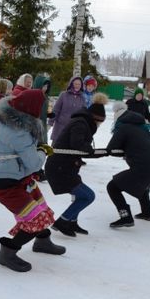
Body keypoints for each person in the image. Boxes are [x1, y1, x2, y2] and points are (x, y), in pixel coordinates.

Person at [0, 89, 66, 272]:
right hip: (8, 184)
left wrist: (37, 148)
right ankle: (8, 252)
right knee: (36, 218)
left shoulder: (12, 121)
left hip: (21, 178)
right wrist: (41, 151)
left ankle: (42, 241)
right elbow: (33, 163)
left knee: (42, 210)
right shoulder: (18, 132)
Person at [45, 93, 109, 236]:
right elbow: (77, 145)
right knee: (88, 196)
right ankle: (63, 221)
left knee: (81, 196)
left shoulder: (83, 122)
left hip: (66, 167)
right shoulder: (80, 123)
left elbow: (80, 149)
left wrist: (101, 152)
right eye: (100, 122)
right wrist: (94, 151)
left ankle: (71, 223)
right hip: (59, 168)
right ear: (95, 118)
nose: (99, 125)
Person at [106, 102, 150, 227]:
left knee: (112, 187)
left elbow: (111, 149)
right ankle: (146, 213)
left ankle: (125, 216)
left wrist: (124, 150)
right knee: (142, 184)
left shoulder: (123, 128)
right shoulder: (144, 129)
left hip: (144, 167)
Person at [49, 76, 85, 144]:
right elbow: (56, 109)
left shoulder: (82, 98)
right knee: (55, 148)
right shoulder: (64, 95)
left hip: (73, 128)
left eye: (79, 84)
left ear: (81, 86)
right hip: (60, 126)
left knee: (68, 150)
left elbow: (83, 113)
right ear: (71, 84)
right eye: (75, 84)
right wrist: (51, 122)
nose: (77, 86)